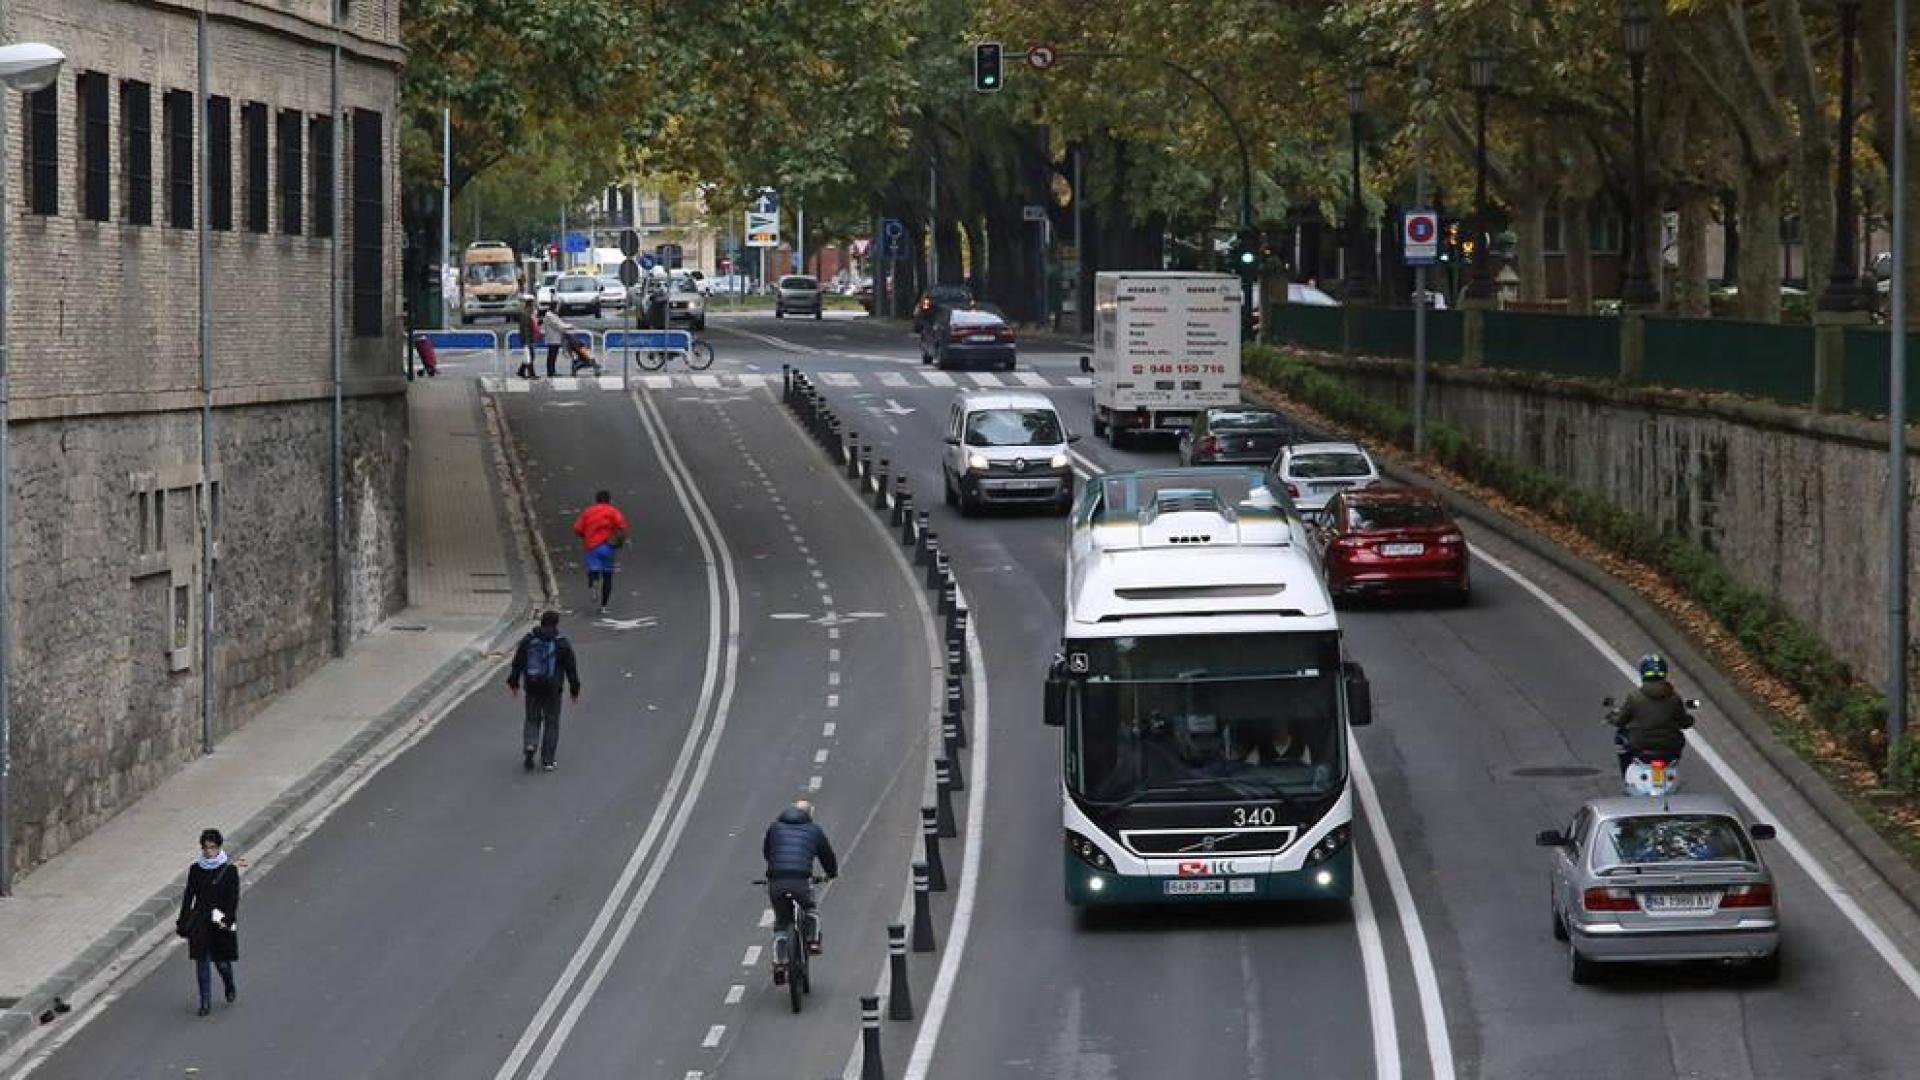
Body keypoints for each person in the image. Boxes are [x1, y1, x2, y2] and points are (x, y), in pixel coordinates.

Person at [762, 800, 838, 979]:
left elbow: (767, 852)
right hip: (800, 879)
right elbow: (827, 856)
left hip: (777, 879)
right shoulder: (814, 830)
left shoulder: (775, 828)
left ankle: (780, 961)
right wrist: (831, 874)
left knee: (781, 921)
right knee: (810, 908)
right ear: (809, 815)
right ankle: (812, 941)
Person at [176, 828, 240, 1016]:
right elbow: (189, 896)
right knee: (202, 962)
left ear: (219, 848)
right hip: (201, 920)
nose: (208, 852)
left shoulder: (229, 870)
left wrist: (228, 918)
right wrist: (183, 919)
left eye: (212, 848)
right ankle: (205, 1002)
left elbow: (233, 897)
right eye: (205, 848)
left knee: (221, 962)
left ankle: (229, 984)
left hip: (220, 921)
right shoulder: (196, 869)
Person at [507, 610, 581, 771]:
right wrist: (574, 690)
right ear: (556, 624)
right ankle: (548, 760)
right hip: (553, 690)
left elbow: (517, 663)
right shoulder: (562, 643)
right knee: (551, 722)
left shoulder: (528, 640)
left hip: (532, 687)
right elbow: (571, 670)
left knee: (532, 719)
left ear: (541, 622)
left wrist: (514, 683)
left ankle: (530, 745)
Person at [1609, 653, 1694, 774]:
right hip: (1669, 746)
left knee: (1620, 737)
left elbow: (1620, 721)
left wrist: (1612, 718)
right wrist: (1690, 719)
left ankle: (1626, 773)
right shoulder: (1674, 698)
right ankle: (1671, 769)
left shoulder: (1634, 697)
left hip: (1640, 745)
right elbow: (1684, 722)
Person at [572, 490, 629, 613]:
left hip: (592, 546)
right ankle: (603, 606)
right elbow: (622, 527)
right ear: (609, 500)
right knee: (608, 576)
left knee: (593, 568)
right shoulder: (613, 511)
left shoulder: (588, 512)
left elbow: (577, 528)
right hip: (608, 546)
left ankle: (593, 583)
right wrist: (619, 541)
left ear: (596, 500)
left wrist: (586, 535)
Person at [539, 306, 577, 378]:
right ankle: (551, 372)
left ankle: (552, 371)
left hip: (555, 338)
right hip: (553, 339)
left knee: (553, 356)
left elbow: (559, 324)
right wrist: (569, 326)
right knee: (552, 356)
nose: (558, 309)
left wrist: (567, 326)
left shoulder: (553, 315)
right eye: (557, 307)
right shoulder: (550, 316)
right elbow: (558, 325)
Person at [516, 296, 539, 379]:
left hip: (529, 338)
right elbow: (525, 328)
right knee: (531, 356)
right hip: (527, 338)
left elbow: (532, 324)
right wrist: (526, 341)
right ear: (530, 304)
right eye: (534, 304)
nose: (535, 305)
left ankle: (521, 371)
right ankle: (531, 373)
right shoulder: (526, 314)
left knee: (529, 356)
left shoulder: (529, 313)